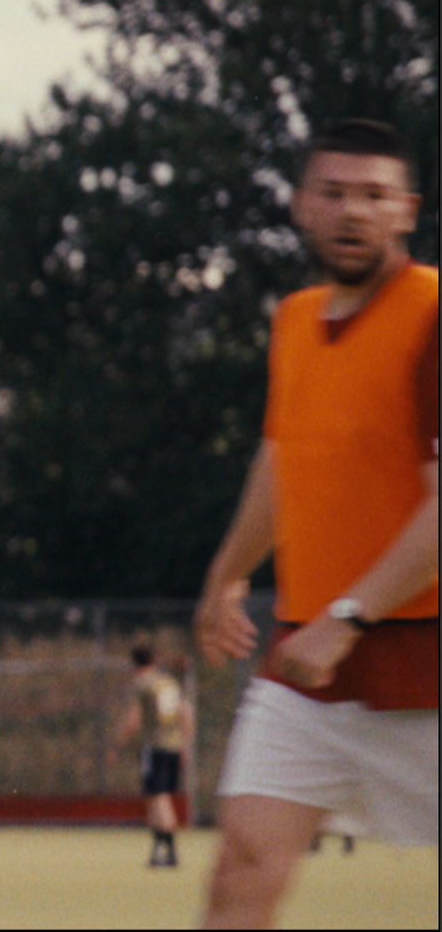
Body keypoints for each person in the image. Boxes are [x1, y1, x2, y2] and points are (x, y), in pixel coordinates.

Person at [196, 119, 437, 928]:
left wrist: (348, 616)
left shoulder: (434, 315)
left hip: (422, 658)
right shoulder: (295, 320)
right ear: (301, 206)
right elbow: (281, 461)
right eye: (333, 193)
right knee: (244, 864)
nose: (353, 211)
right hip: (309, 664)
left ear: (407, 210)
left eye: (374, 195)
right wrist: (228, 574)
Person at [113, 646, 195, 867]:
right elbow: (186, 712)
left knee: (158, 796)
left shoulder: (141, 683)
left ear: (134, 663)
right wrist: (186, 744)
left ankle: (169, 851)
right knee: (157, 797)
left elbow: (133, 719)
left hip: (154, 746)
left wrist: (117, 746)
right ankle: (158, 850)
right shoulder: (168, 682)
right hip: (174, 746)